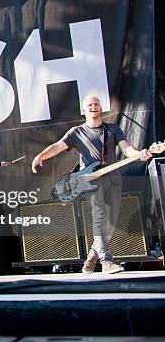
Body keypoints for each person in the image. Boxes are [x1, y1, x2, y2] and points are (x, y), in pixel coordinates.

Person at [31, 94, 152, 274]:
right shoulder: (76, 132)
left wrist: (139, 154)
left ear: (101, 108)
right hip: (91, 181)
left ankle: (91, 257)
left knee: (110, 226)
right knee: (99, 218)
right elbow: (58, 146)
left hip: (114, 180)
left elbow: (127, 148)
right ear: (83, 110)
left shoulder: (112, 130)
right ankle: (106, 262)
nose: (93, 106)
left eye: (96, 104)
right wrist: (41, 156)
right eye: (89, 104)